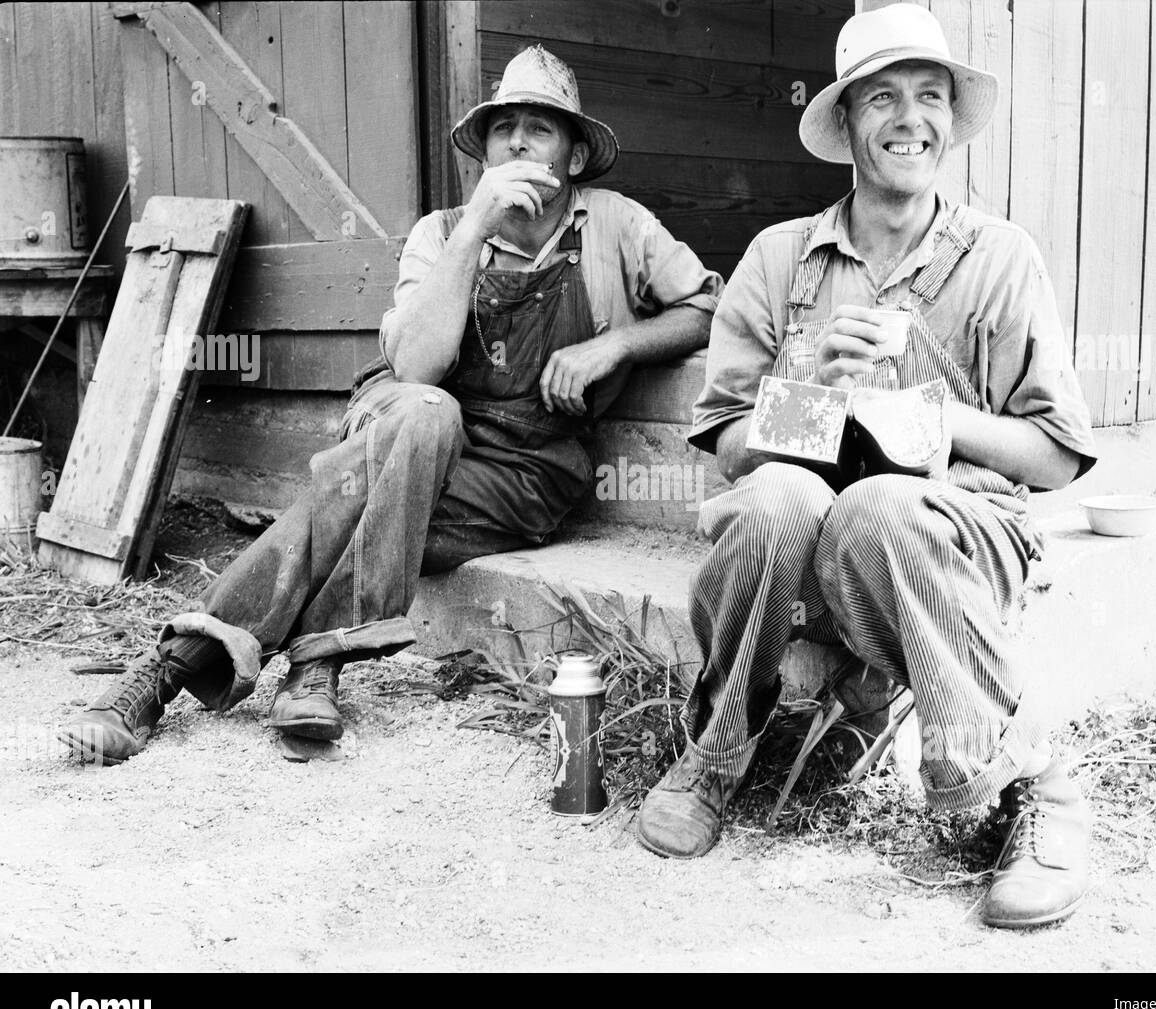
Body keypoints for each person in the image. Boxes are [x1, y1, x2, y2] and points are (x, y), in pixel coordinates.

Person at [58, 45, 721, 765]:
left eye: (542, 128)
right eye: (504, 129)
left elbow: (703, 305)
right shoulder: (441, 232)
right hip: (407, 416)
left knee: (348, 499)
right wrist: (476, 230)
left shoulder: (619, 226)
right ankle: (310, 666)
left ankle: (177, 668)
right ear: (484, 149)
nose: (520, 143)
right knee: (426, 415)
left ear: (575, 152)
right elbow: (416, 367)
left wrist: (615, 345)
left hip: (524, 469)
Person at [634, 3, 1099, 930]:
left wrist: (936, 420)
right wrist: (812, 387)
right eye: (880, 98)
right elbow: (726, 438)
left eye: (929, 97)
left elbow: (1054, 457)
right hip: (805, 549)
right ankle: (719, 749)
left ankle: (1029, 784)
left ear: (950, 120)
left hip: (951, 540)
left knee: (883, 504)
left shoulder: (999, 260)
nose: (908, 120)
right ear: (844, 122)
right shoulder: (780, 259)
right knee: (775, 495)